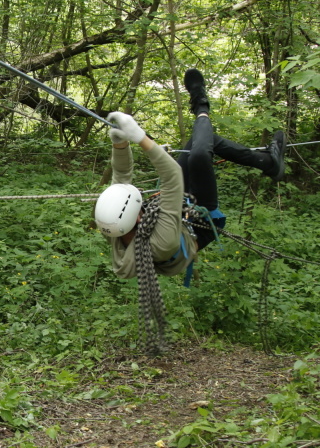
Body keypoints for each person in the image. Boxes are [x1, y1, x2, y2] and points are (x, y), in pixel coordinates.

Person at [93, 68, 286, 354]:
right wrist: (141, 138)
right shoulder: (160, 241)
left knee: (201, 146)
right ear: (138, 216)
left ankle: (268, 163)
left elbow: (121, 179)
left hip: (179, 212)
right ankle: (201, 104)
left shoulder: (116, 225)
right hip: (201, 222)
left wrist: (120, 142)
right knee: (197, 154)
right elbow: (172, 177)